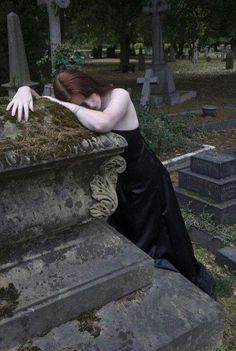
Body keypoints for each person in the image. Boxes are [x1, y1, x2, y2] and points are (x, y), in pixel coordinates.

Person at [6, 69, 216, 299]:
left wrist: (71, 106)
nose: (91, 105)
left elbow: (104, 123)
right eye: (81, 103)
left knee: (162, 239)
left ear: (90, 85)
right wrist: (24, 90)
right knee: (130, 237)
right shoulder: (85, 104)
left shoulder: (119, 95)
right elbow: (44, 101)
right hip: (118, 182)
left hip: (146, 180)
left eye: (88, 98)